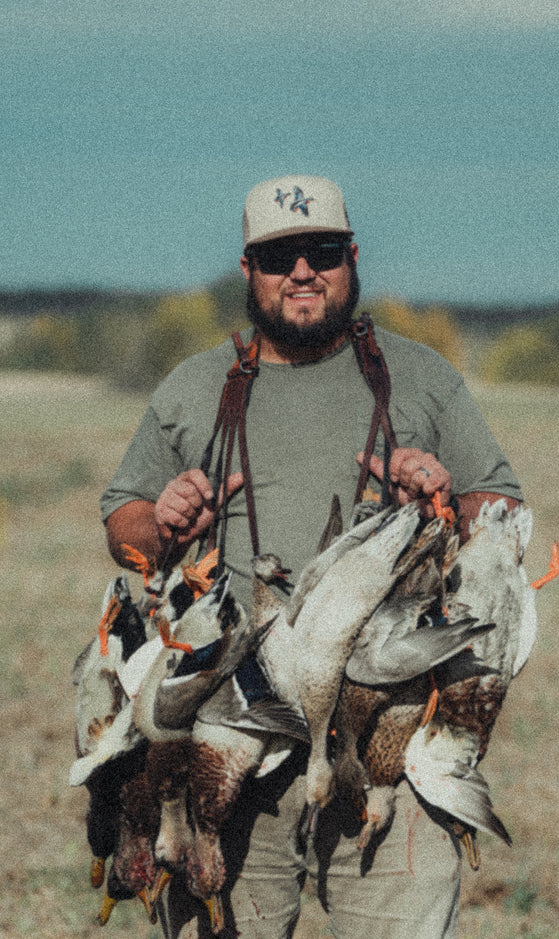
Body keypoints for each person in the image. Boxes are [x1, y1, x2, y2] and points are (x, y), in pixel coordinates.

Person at [101, 174, 523, 938]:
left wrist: (442, 493)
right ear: (248, 271)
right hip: (230, 738)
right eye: (279, 256)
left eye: (321, 251)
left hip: (387, 739)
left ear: (352, 256)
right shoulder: (194, 388)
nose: (302, 271)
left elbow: (504, 514)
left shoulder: (422, 379)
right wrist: (161, 522)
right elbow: (121, 520)